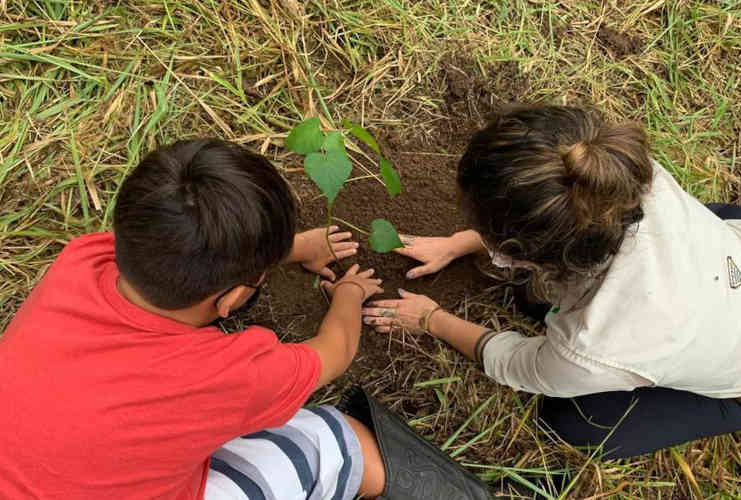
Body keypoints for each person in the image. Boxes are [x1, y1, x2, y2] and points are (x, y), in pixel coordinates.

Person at [0, 139, 491, 500]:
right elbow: (335, 352)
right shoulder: (232, 374)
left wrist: (289, 248)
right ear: (231, 298)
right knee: (334, 442)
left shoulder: (82, 260)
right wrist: (348, 294)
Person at [363, 105, 741, 460]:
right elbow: (563, 213)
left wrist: (433, 319)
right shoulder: (616, 166)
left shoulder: (596, 346)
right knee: (531, 296)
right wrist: (464, 243)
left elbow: (519, 365)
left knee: (572, 423)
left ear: (519, 250)